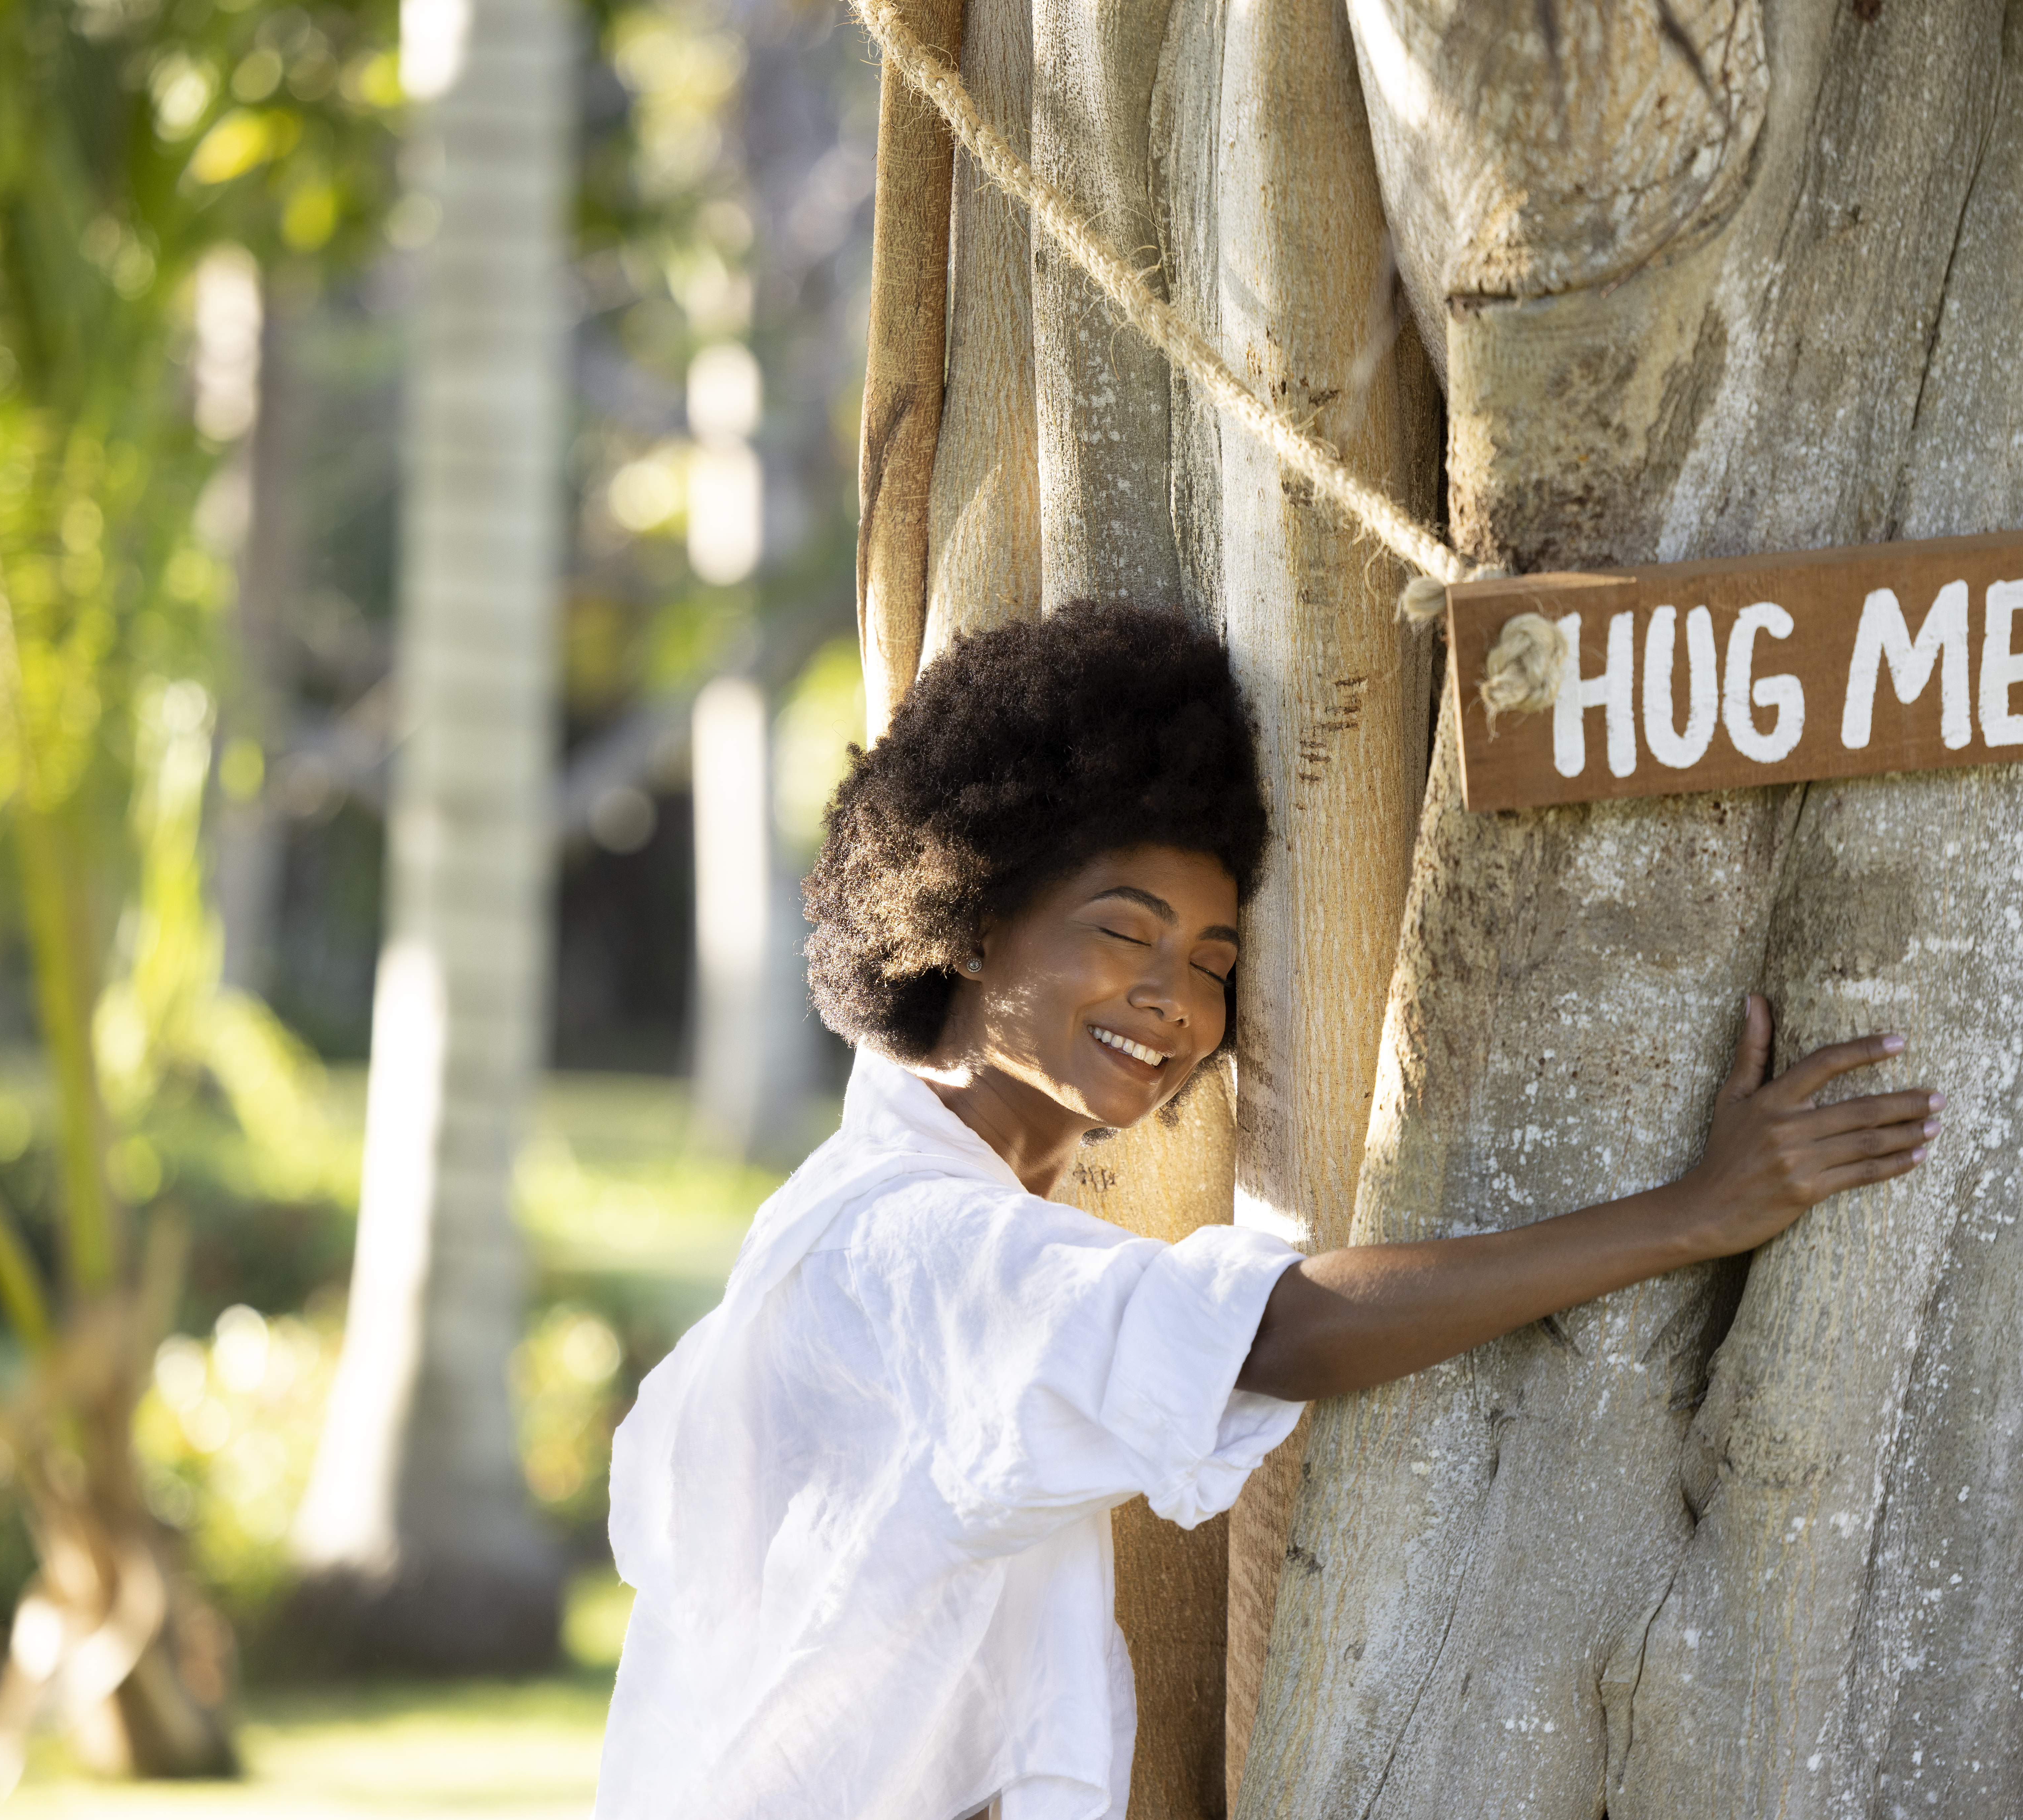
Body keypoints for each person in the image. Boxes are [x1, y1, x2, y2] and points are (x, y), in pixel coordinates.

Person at [593, 602, 1941, 1820]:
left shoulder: (867, 1208)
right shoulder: (914, 1247)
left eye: (1213, 959)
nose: (1174, 1002)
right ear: (971, 908)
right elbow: (1270, 1333)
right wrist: (1690, 1215)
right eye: (1123, 933)